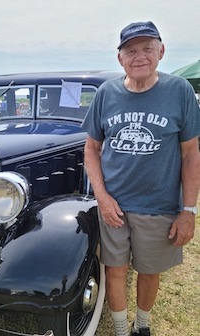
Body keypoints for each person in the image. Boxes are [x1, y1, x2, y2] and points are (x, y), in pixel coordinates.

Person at [82, 21, 200, 336]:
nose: (140, 56)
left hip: (159, 204)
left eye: (147, 48)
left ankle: (142, 326)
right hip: (114, 206)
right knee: (115, 270)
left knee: (149, 271)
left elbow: (191, 154)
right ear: (120, 58)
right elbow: (91, 149)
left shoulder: (179, 91)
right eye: (131, 50)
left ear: (160, 51)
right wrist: (102, 198)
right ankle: (122, 330)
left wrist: (188, 211)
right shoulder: (107, 93)